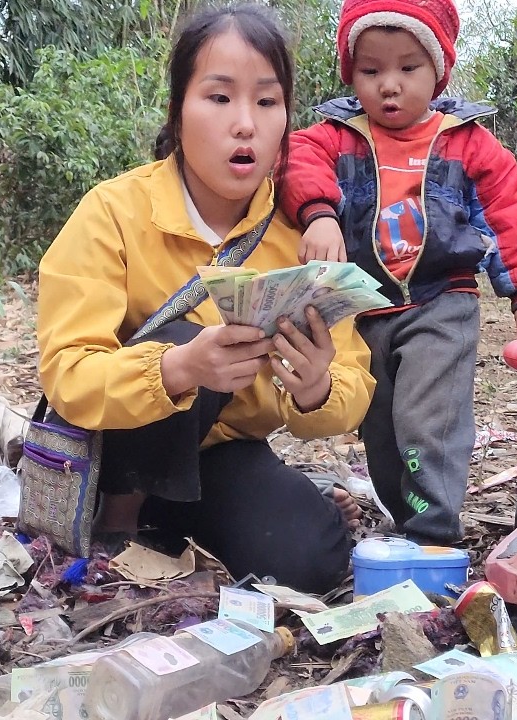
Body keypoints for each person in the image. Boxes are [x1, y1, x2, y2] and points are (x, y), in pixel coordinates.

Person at [35, 3, 376, 594]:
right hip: (113, 451)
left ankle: (168, 523)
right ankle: (120, 521)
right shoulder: (113, 213)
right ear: (178, 112)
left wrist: (317, 385)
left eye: (267, 102)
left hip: (219, 456)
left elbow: (351, 390)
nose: (245, 124)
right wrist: (179, 367)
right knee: (184, 339)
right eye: (220, 98)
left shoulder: (304, 239)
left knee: (311, 556)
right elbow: (67, 373)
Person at [276, 0, 517, 545]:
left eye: (409, 68)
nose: (389, 85)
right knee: (379, 425)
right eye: (371, 70)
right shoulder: (338, 136)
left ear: (438, 69)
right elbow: (295, 159)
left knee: (427, 420)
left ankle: (434, 531)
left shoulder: (467, 143)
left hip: (440, 301)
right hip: (366, 307)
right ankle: (405, 515)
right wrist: (318, 213)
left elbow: (508, 216)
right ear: (351, 74)